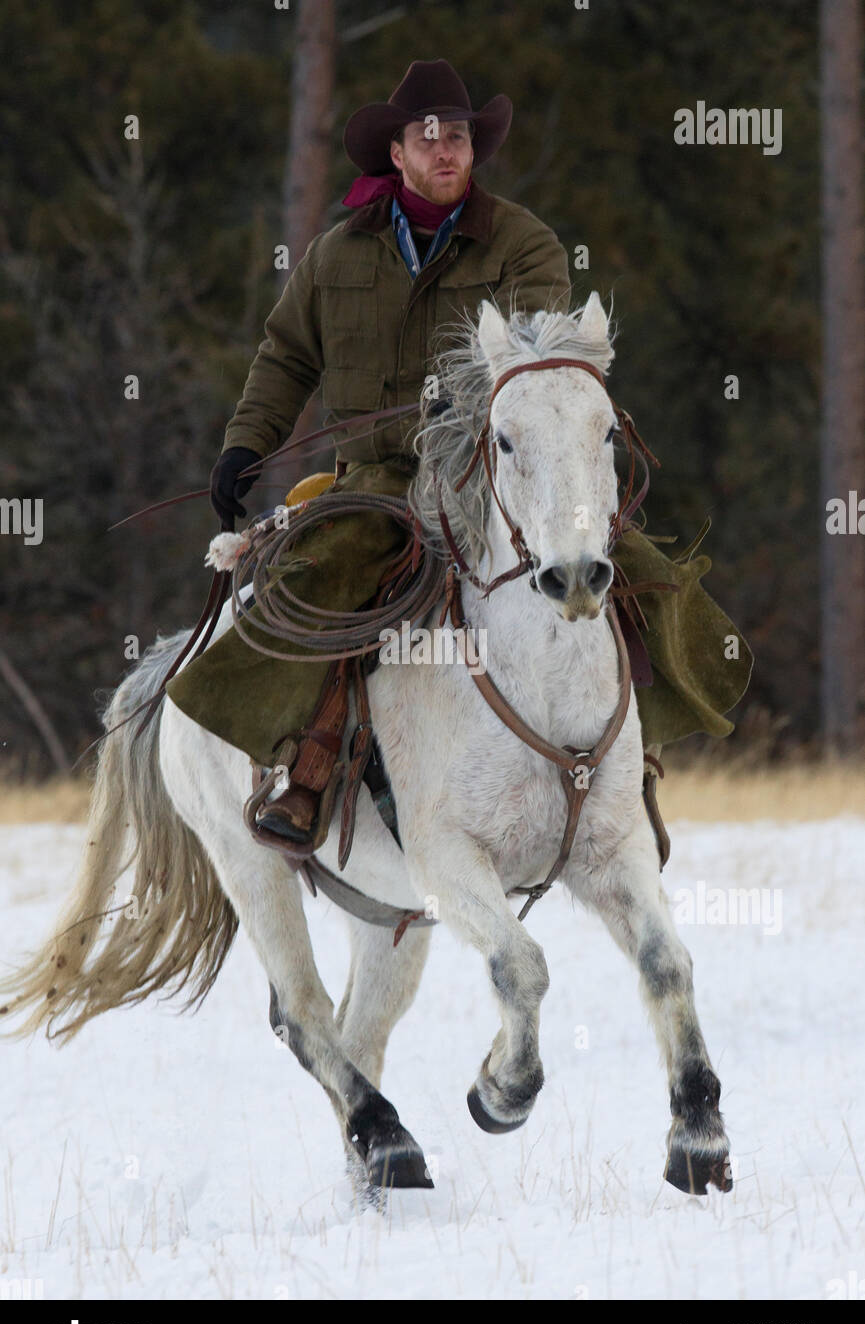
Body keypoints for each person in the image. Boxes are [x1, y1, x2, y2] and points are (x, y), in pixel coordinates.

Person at [165, 58, 751, 857]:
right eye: (426, 137)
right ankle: (305, 769)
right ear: (396, 154)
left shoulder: (521, 240)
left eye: (459, 137)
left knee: (639, 573)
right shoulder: (337, 255)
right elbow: (284, 358)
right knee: (323, 575)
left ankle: (630, 766)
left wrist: (469, 408)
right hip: (375, 478)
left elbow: (544, 364)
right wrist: (245, 444)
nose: (446, 150)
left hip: (496, 471)